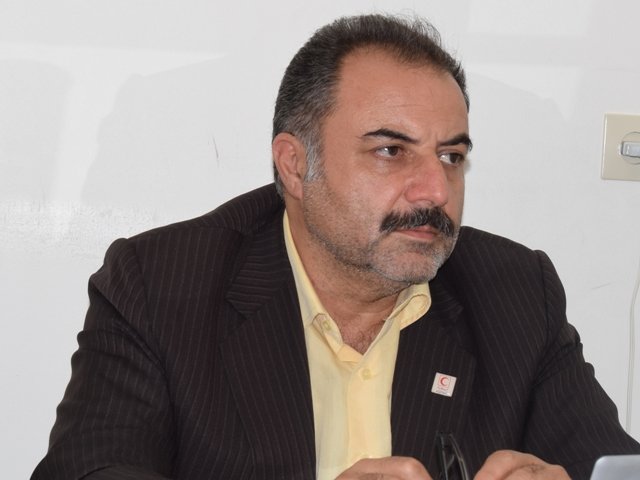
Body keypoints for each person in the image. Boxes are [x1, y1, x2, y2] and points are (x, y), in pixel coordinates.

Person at [32, 13, 639, 480]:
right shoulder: (161, 285)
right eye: (391, 151)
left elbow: (612, 465)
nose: (436, 189)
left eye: (452, 156)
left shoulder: (514, 293)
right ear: (295, 166)